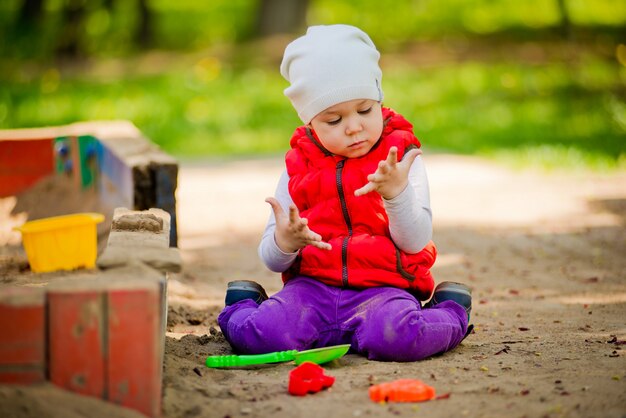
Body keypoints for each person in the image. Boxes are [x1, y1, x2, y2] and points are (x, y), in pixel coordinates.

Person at [218, 24, 472, 362]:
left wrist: (396, 194)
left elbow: (415, 242)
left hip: (384, 290)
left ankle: (449, 311)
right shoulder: (299, 166)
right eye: (333, 119)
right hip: (311, 291)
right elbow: (271, 258)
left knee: (399, 337)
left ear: (379, 99)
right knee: (263, 335)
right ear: (310, 122)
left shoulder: (400, 160)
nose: (354, 127)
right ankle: (245, 307)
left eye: (365, 110)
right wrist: (286, 242)